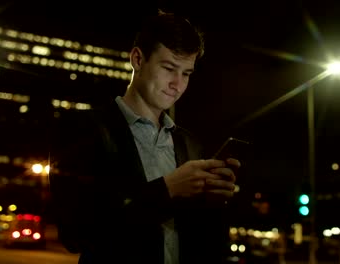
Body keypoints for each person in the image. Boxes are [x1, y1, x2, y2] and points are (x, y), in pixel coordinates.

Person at [49, 9, 240, 264]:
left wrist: (216, 203)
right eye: (169, 68)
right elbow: (75, 234)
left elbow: (204, 244)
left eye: (186, 73)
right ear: (138, 59)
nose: (177, 83)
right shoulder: (82, 129)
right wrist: (167, 190)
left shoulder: (191, 145)